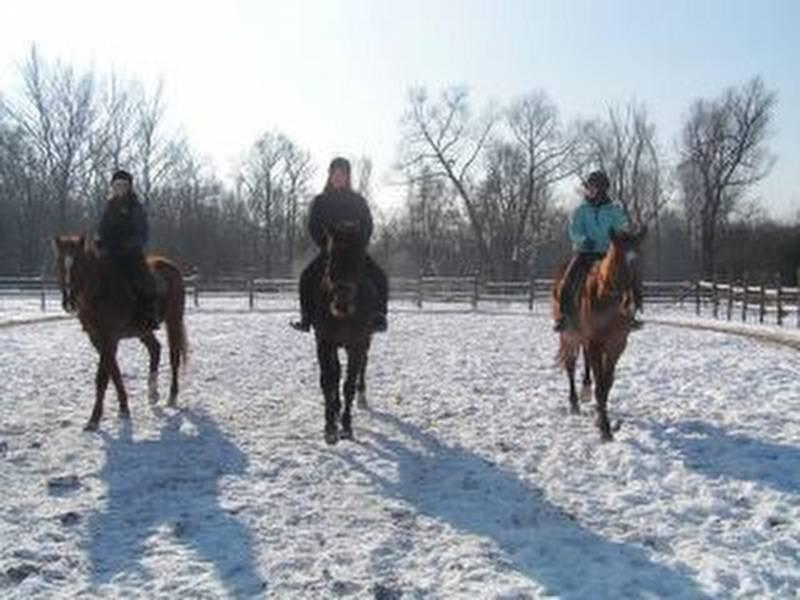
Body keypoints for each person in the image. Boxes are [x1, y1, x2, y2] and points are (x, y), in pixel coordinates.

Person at [291, 157, 389, 333]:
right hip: (330, 253)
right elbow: (313, 226)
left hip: (355, 253)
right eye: (335, 174)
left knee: (380, 277)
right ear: (330, 176)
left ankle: (379, 316)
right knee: (306, 277)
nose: (339, 177)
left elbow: (368, 225)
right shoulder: (321, 201)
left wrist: (358, 245)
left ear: (348, 177)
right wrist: (326, 245)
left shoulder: (358, 201)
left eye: (342, 174)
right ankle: (306, 317)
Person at [554, 170, 643, 332]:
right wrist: (583, 240)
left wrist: (619, 242)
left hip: (608, 254)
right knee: (568, 280)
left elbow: (620, 229)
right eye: (589, 187)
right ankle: (565, 317)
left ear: (601, 189)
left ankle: (632, 314)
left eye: (592, 187)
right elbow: (574, 231)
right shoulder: (580, 210)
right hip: (585, 253)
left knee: (631, 276)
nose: (589, 190)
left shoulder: (614, 211)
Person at [96, 169, 159, 329]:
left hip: (131, 253)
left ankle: (149, 314)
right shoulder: (109, 206)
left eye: (123, 185)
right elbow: (102, 228)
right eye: (116, 185)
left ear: (129, 187)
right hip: (111, 253)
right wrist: (99, 240)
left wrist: (128, 245)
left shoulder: (135, 207)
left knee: (144, 280)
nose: (119, 189)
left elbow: (142, 232)